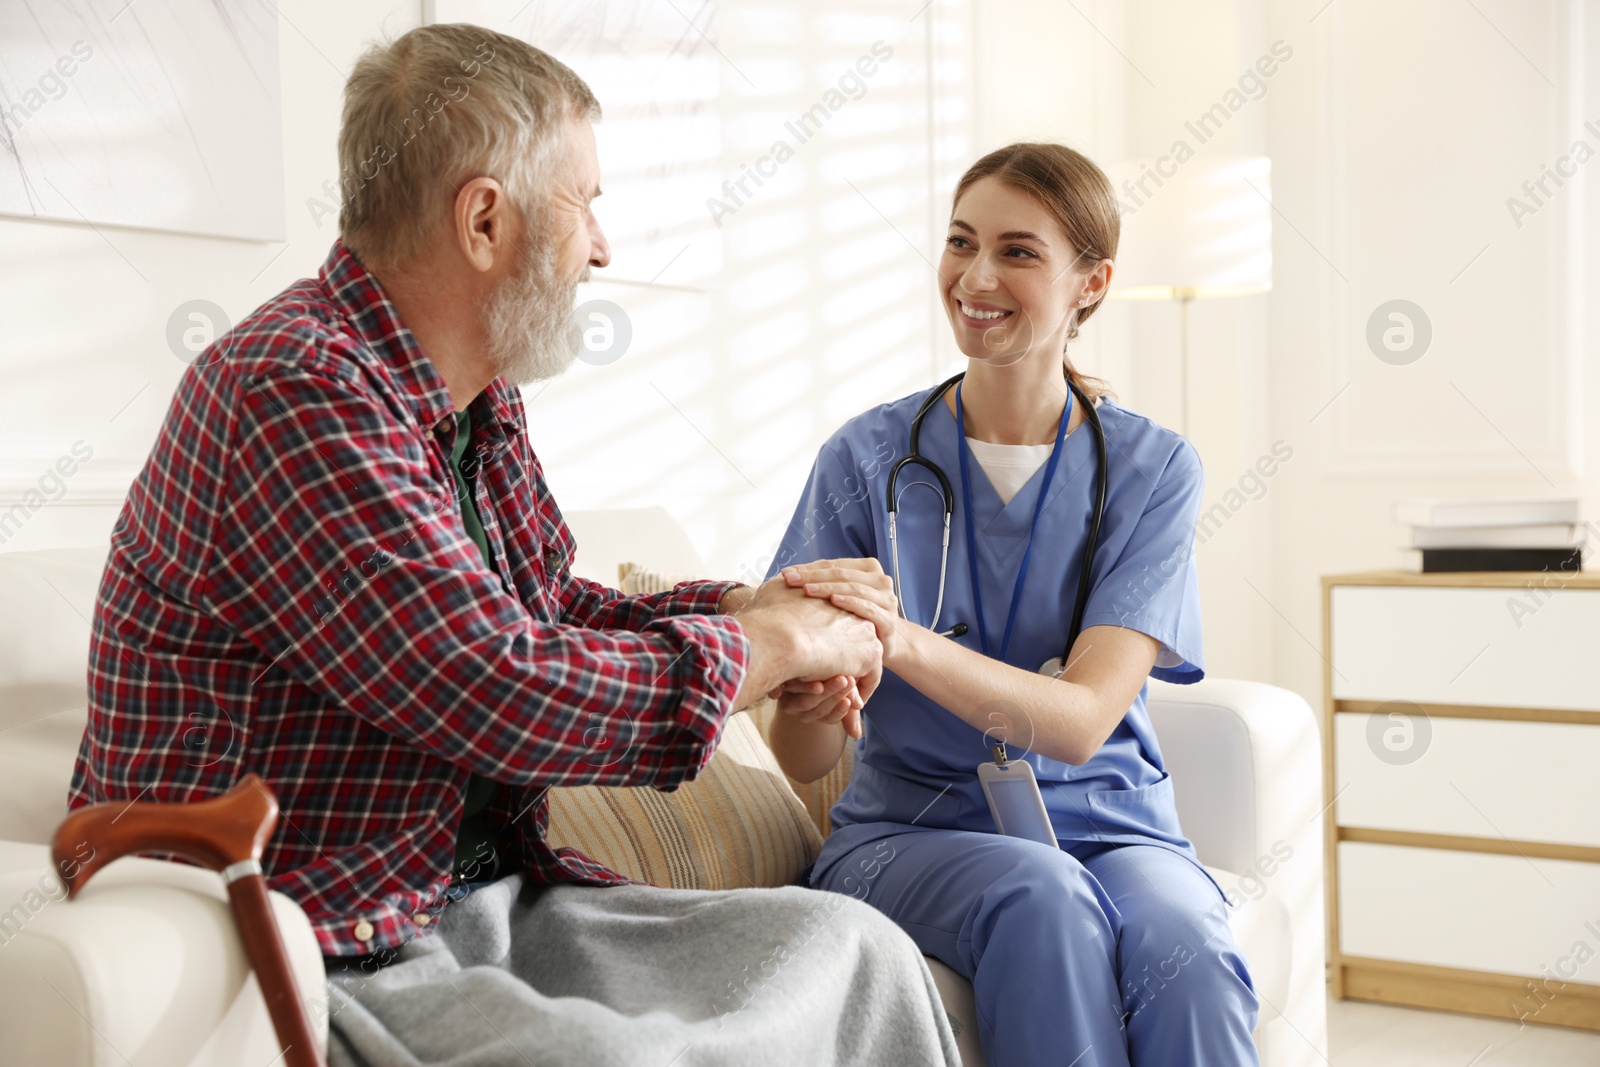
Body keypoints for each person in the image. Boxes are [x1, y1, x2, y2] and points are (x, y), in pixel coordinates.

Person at [67, 23, 959, 1067]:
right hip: (319, 931)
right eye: (585, 202)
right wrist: (770, 650)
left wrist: (751, 611)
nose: (602, 247)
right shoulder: (292, 388)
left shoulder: (473, 399)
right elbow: (493, 683)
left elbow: (539, 609)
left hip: (480, 899)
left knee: (857, 948)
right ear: (484, 219)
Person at [763, 143, 1261, 1066]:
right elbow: (804, 757)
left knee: (1185, 943)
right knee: (1042, 897)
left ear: (1090, 283)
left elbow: (1077, 724)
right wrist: (809, 702)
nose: (976, 276)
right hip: (908, 835)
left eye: (1019, 251)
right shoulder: (865, 458)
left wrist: (897, 642)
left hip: (1115, 824)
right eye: (960, 242)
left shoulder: (1152, 470)